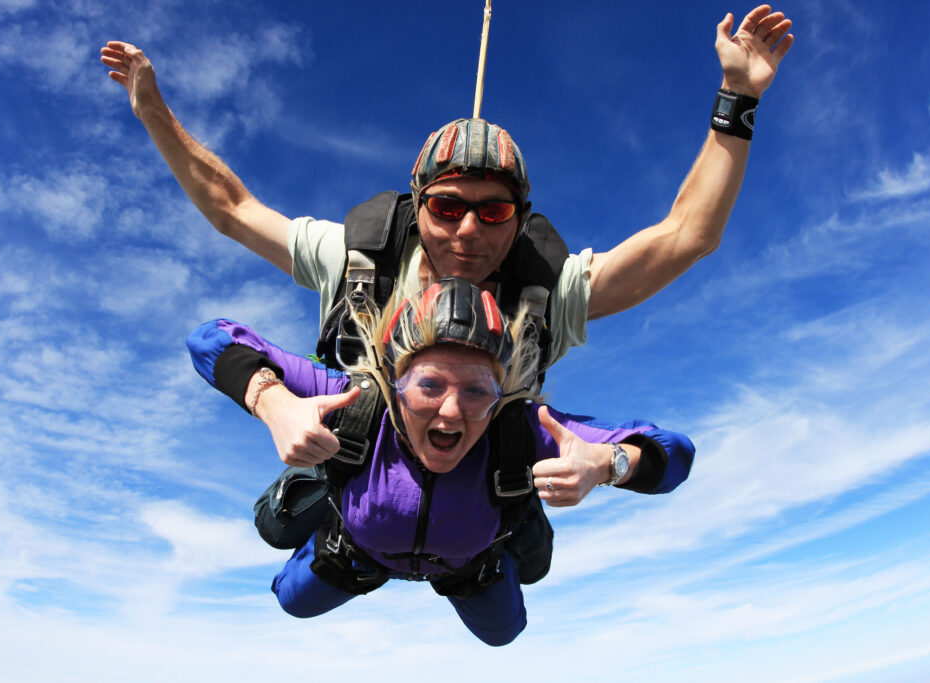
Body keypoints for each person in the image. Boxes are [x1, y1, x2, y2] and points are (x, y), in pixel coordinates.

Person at [100, 5, 793, 478]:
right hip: (360, 447)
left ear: (521, 220)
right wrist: (153, 109)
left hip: (482, 464)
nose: (467, 230)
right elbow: (230, 208)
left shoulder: (547, 287)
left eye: (494, 214)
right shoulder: (361, 259)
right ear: (416, 202)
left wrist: (738, 98)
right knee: (301, 577)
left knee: (500, 617)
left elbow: (687, 237)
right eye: (448, 206)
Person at [187, 277, 695, 645]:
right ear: (393, 382)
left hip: (469, 567)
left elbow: (674, 455)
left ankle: (516, 516)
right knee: (290, 603)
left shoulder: (521, 425)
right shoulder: (352, 399)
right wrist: (273, 402)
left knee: (505, 635)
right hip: (358, 555)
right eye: (428, 384)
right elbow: (211, 338)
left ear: (501, 394)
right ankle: (325, 494)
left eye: (478, 389)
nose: (451, 410)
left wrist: (607, 464)